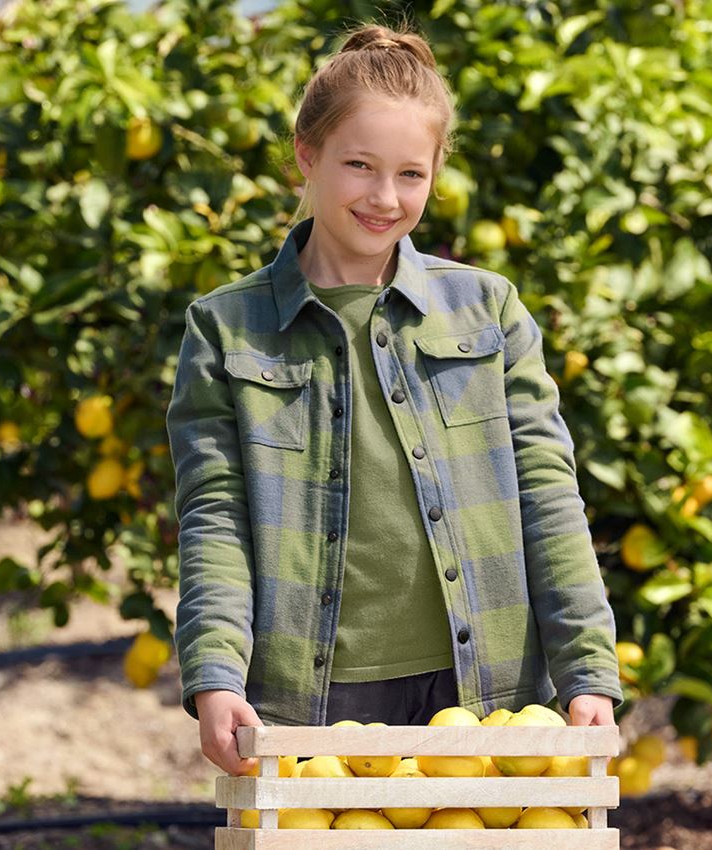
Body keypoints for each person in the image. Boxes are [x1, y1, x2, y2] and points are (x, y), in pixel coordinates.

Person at [166, 21, 622, 778]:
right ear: (307, 157)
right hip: (315, 701)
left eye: (411, 174)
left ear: (437, 171)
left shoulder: (487, 310)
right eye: (359, 166)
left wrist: (588, 670)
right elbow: (214, 514)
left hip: (487, 692)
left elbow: (549, 494)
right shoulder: (226, 328)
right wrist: (214, 673)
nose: (385, 198)